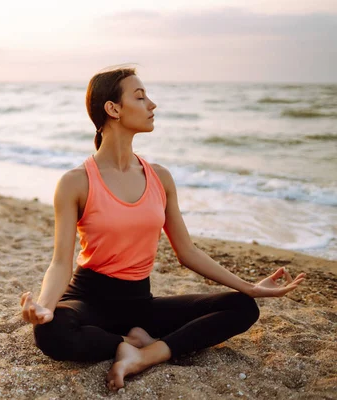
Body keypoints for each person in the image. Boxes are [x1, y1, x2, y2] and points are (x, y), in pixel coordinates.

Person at [19, 66, 306, 391]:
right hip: (89, 299)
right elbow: (60, 262)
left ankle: (147, 353)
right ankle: (125, 343)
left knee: (242, 307)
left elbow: (187, 252)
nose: (152, 105)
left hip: (140, 302)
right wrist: (44, 304)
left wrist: (249, 287)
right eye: (140, 97)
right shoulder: (75, 182)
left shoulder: (160, 178)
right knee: (51, 332)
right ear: (112, 109)